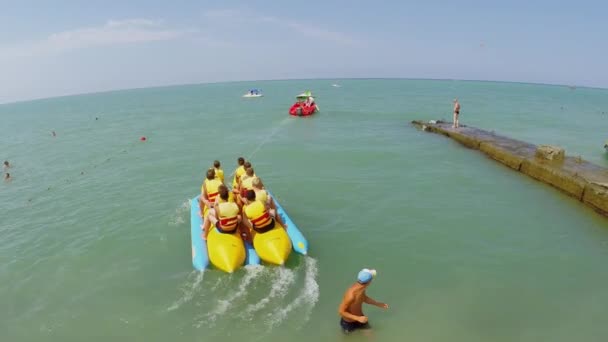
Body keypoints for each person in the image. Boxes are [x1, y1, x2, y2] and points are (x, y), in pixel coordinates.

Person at [338, 268, 389, 334]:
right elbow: (341, 311)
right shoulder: (351, 295)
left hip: (361, 318)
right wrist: (357, 318)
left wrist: (378, 304)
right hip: (348, 323)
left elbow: (364, 298)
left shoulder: (361, 288)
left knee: (371, 335)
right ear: (369, 282)